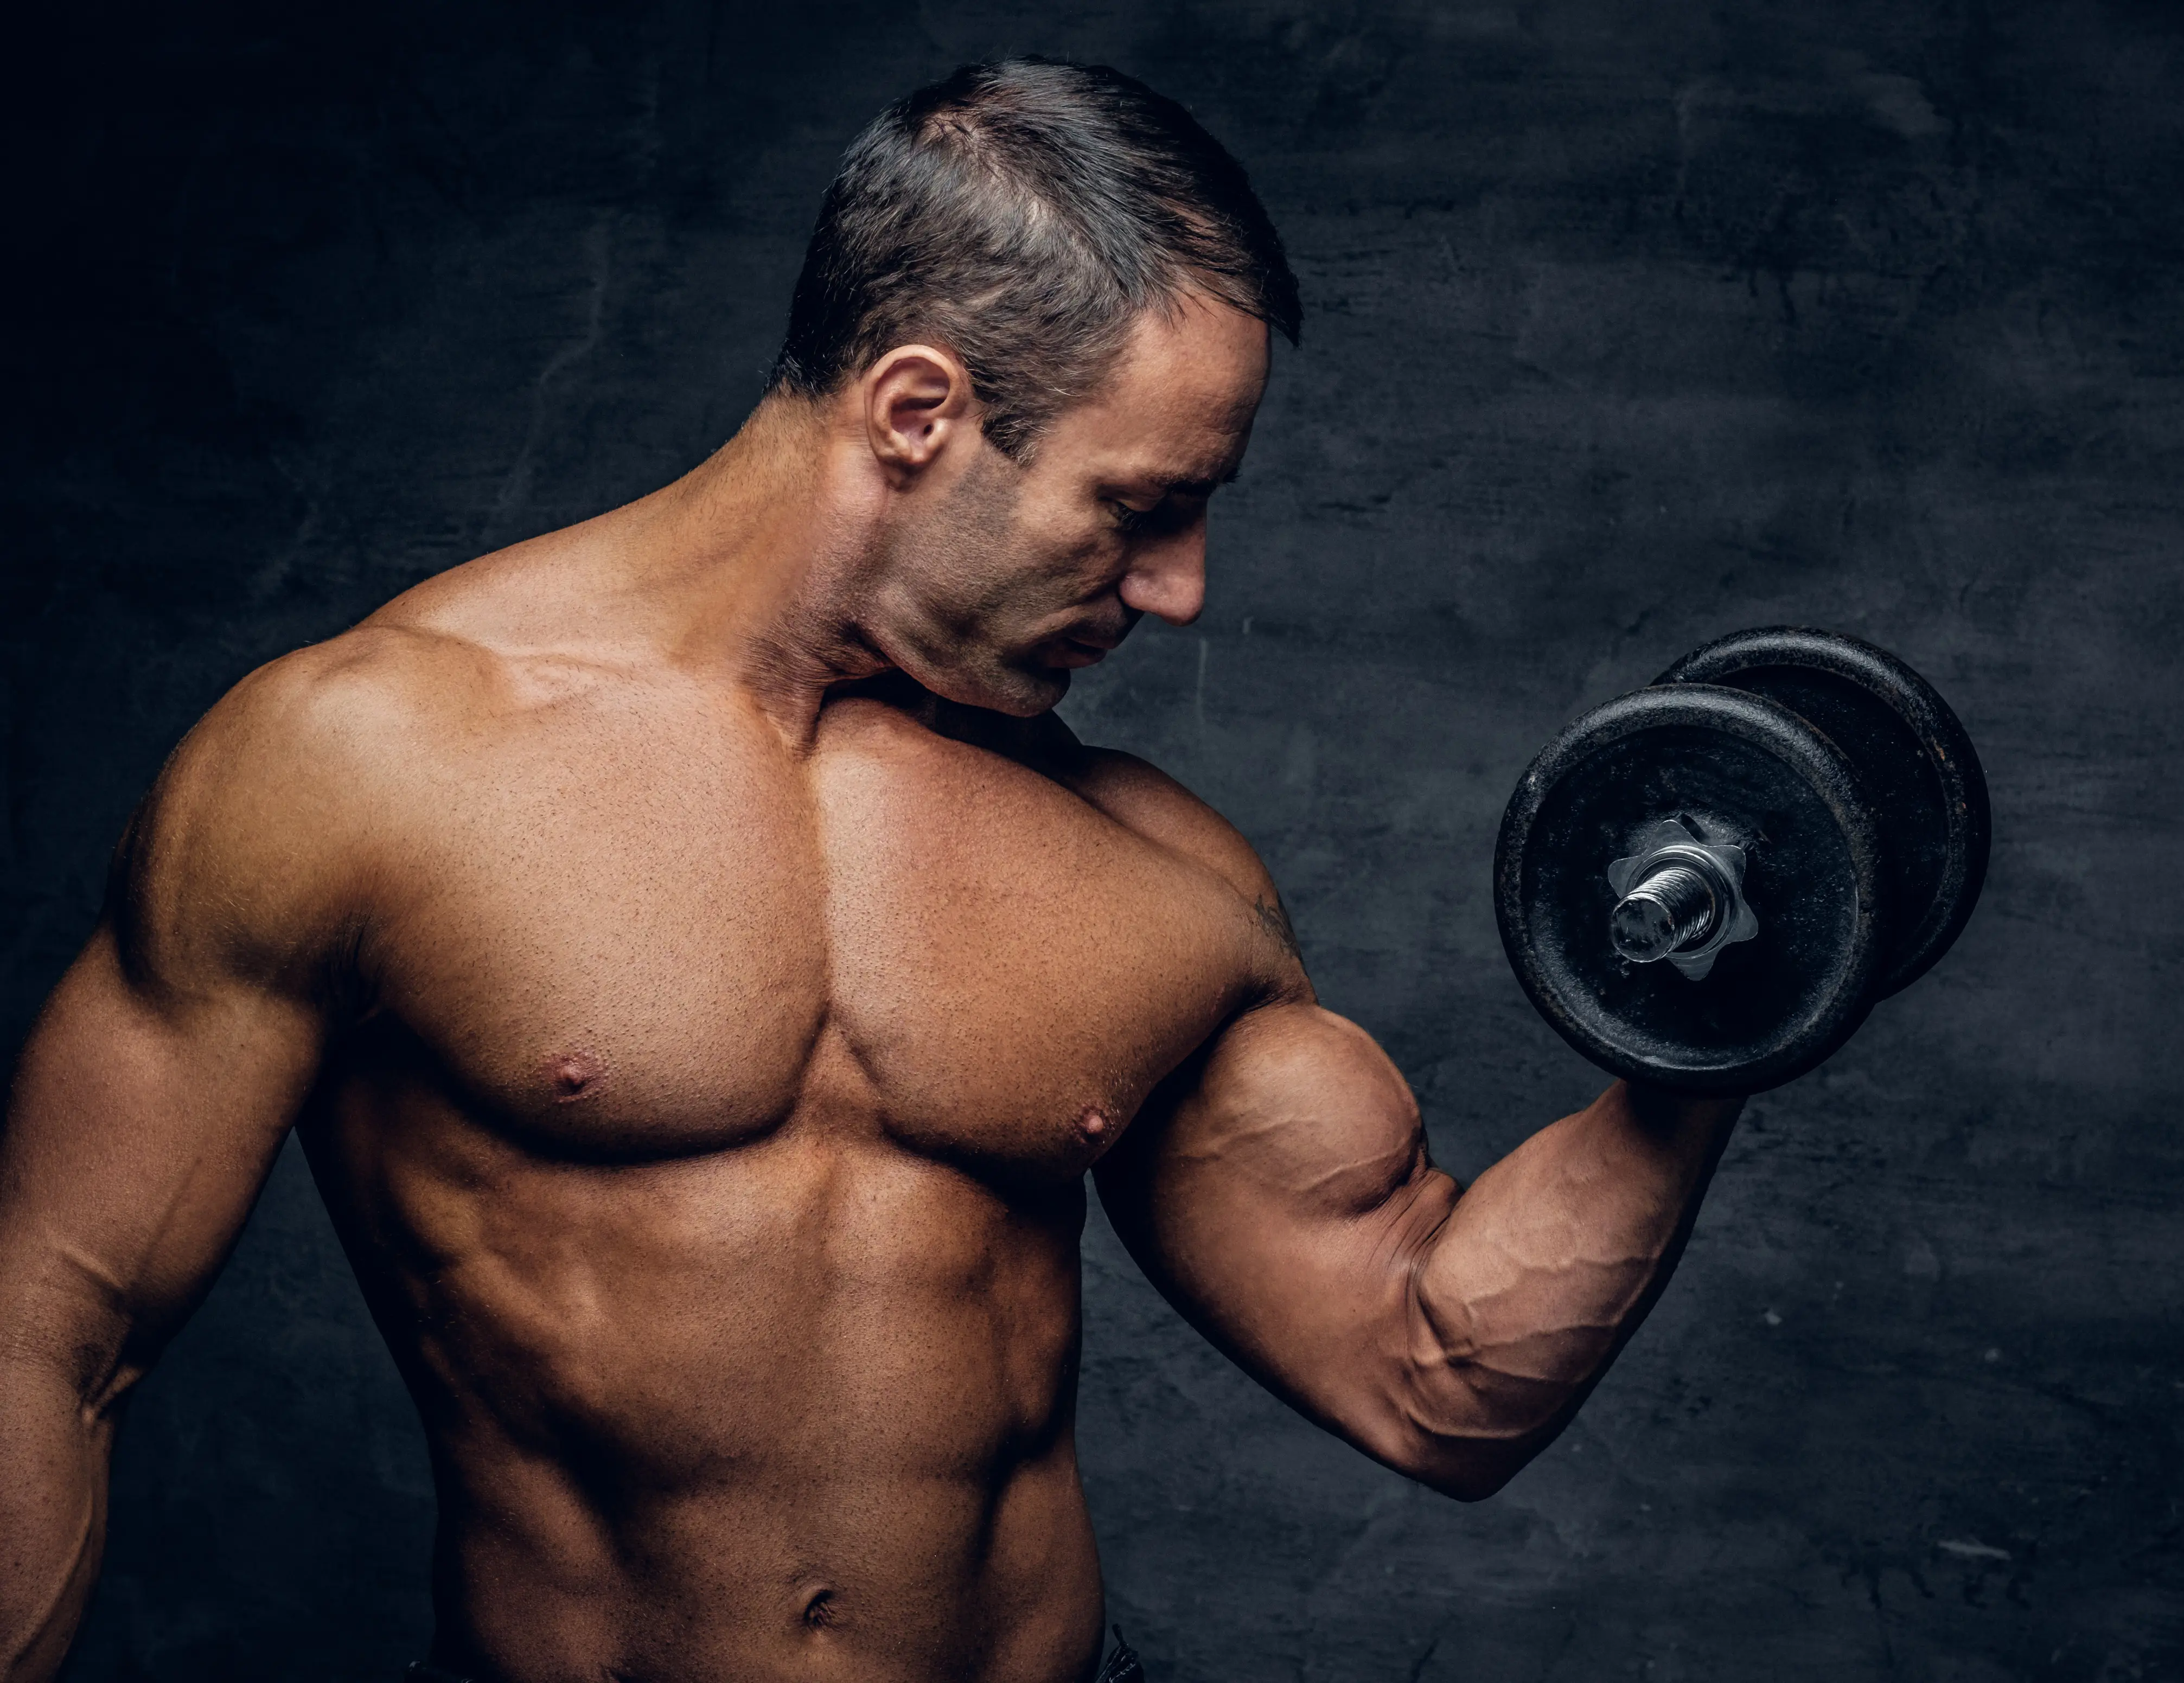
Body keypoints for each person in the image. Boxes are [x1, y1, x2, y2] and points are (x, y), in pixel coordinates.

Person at [0, 60, 1739, 1683]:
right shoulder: (366, 764)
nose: (1183, 588)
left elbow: (1432, 1376)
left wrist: (1725, 1017)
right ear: (918, 408)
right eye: (1140, 506)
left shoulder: (1148, 863)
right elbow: (50, 1327)